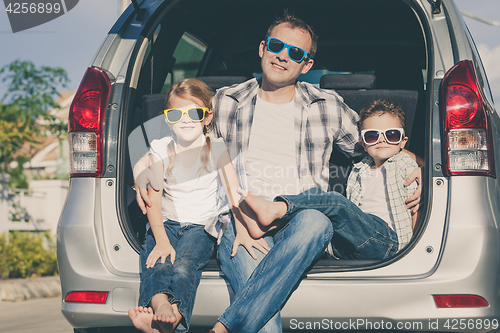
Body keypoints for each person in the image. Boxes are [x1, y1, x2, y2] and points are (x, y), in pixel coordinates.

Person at [134, 13, 422, 333]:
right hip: (241, 221)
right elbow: (178, 134)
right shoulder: (226, 101)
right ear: (263, 48)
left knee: (317, 219)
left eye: (296, 53)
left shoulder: (328, 105)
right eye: (276, 45)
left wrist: (413, 163)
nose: (283, 55)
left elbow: (378, 142)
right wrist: (143, 169)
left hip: (299, 221)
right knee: (266, 321)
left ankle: (226, 326)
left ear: (307, 65)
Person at [127, 78, 259, 333]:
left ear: (207, 117)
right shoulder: (161, 149)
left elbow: (233, 191)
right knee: (156, 261)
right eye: (176, 114)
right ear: (168, 120)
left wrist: (243, 230)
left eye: (194, 113)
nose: (185, 120)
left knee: (186, 266)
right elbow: (153, 195)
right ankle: (163, 306)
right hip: (165, 222)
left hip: (202, 226)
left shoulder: (217, 148)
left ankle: (172, 318)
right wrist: (162, 238)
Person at [238, 100, 421, 260]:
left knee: (335, 202)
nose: (382, 140)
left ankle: (275, 209)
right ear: (363, 144)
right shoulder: (360, 169)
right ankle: (274, 224)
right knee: (317, 206)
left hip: (388, 240)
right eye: (372, 136)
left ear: (403, 141)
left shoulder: (405, 164)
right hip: (354, 244)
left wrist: (415, 249)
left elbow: (415, 211)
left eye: (391, 135)